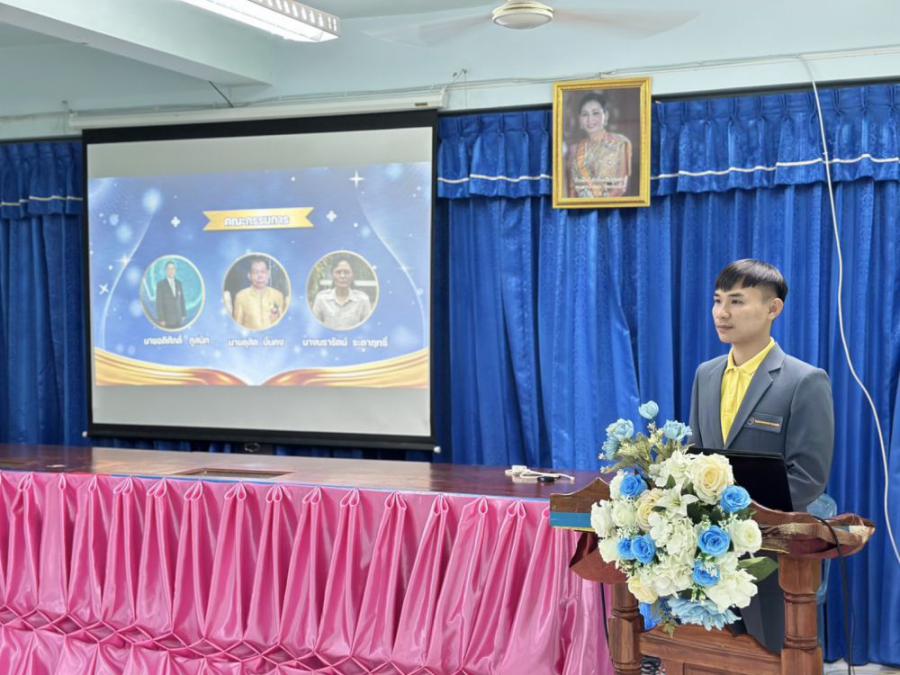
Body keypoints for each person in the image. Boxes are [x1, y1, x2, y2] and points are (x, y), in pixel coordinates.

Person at [689, 259, 834, 654]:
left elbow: (808, 477)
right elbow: (698, 459)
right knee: (711, 657)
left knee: (773, 656)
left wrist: (742, 525)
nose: (722, 312)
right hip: (709, 555)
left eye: (736, 301)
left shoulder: (804, 380)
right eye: (717, 300)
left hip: (771, 556)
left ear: (773, 309)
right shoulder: (706, 375)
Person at [566, 94, 632, 198]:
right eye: (585, 114)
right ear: (579, 119)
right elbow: (572, 190)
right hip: (581, 207)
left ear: (606, 115)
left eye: (595, 113)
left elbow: (620, 187)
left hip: (611, 206)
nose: (590, 119)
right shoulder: (574, 149)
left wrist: (599, 205)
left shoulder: (620, 143)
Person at [311, 258, 373, 331]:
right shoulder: (321, 298)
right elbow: (314, 328)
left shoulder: (363, 299)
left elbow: (368, 330)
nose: (342, 276)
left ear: (353, 275)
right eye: (338, 272)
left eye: (346, 272)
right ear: (332, 275)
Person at [233, 257, 288, 331]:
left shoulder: (278, 295)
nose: (260, 276)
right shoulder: (241, 297)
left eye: (263, 272)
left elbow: (283, 326)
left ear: (268, 274)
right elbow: (236, 328)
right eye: (256, 272)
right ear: (249, 276)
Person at [155, 260, 187, 329]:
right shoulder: (160, 285)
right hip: (167, 320)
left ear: (175, 270)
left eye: (173, 268)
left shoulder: (179, 283)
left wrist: (184, 314)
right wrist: (161, 319)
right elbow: (159, 303)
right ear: (166, 270)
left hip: (179, 319)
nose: (171, 270)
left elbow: (182, 300)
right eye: (169, 269)